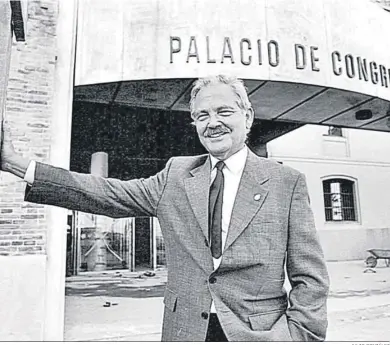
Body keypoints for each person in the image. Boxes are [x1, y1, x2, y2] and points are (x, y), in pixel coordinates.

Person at [0, 75, 329, 342]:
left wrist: (298, 336)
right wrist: (18, 165)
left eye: (223, 111)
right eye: (202, 116)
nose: (212, 123)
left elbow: (311, 279)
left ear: (248, 116)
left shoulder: (287, 182)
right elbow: (108, 193)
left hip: (260, 334)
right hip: (185, 331)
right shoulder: (176, 174)